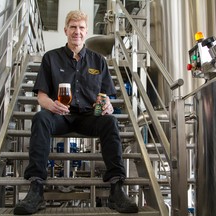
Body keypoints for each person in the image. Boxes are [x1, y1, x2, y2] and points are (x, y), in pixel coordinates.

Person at [13, 10, 138, 215]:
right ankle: (36, 188)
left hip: (89, 117)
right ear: (65, 30)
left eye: (81, 28)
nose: (77, 32)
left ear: (86, 31)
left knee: (110, 122)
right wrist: (51, 105)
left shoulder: (98, 61)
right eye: (73, 27)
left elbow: (107, 95)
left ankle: (116, 188)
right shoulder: (50, 58)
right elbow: (41, 95)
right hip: (59, 116)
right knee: (40, 118)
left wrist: (107, 105)